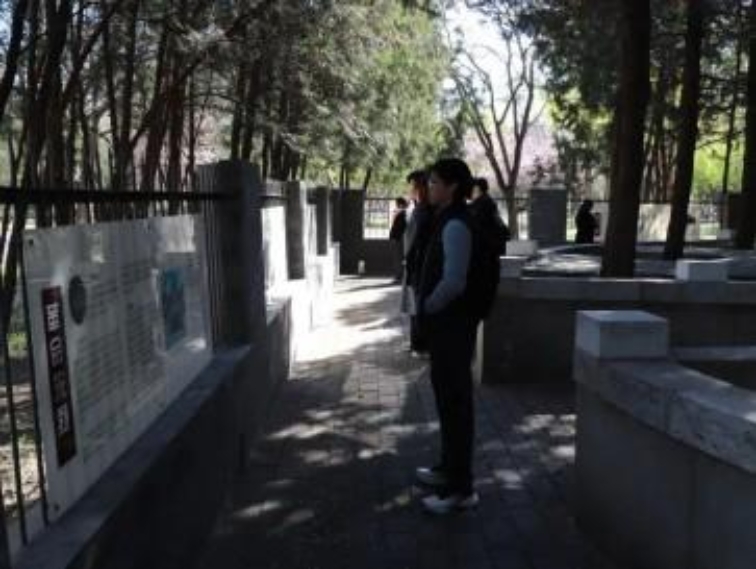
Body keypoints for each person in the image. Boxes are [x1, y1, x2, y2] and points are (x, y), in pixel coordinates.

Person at [414, 158, 482, 515]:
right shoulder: (447, 218)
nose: (429, 188)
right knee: (447, 403)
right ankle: (447, 470)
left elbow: (454, 281)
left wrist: (428, 306)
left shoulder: (457, 224)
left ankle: (461, 490)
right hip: (447, 331)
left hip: (453, 330)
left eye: (435, 182)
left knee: (456, 406)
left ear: (452, 187)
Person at [403, 170, 433, 354]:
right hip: (415, 266)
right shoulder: (420, 208)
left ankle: (420, 344)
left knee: (418, 306)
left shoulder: (427, 210)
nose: (414, 190)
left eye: (416, 186)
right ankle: (417, 343)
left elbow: (417, 241)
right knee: (414, 306)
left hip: (421, 266)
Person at [468, 177, 510, 256]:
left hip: (486, 244)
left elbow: (478, 224)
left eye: (472, 188)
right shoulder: (487, 201)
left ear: (477, 189)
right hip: (493, 243)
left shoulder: (480, 204)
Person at [389, 197, 408, 282]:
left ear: (400, 204)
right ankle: (399, 276)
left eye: (396, 203)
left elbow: (398, 227)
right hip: (399, 238)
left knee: (398, 258)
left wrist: (394, 237)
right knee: (399, 258)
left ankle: (399, 276)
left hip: (399, 238)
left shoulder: (403, 213)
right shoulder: (403, 213)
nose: (396, 205)